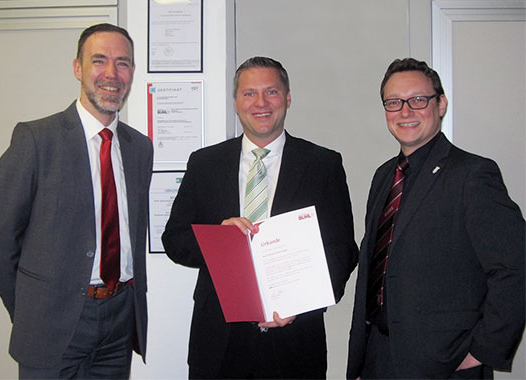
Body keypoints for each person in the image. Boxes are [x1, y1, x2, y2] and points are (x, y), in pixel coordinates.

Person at [161, 56, 359, 379]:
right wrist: (219, 239)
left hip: (295, 340)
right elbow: (174, 239)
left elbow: (342, 250)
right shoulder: (204, 164)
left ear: (288, 98)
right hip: (218, 341)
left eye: (271, 92)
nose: (261, 103)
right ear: (236, 102)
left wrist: (302, 303)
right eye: (250, 94)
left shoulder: (323, 164)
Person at [0, 23, 153, 379]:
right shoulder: (36, 140)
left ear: (133, 72)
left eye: (123, 63)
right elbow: (0, 240)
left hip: (119, 321)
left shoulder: (140, 148)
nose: (111, 74)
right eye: (99, 61)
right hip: (51, 323)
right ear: (77, 68)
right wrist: (30, 310)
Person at [347, 58, 525, 379]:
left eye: (418, 100)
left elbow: (516, 267)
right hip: (377, 356)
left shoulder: (472, 175)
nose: (405, 111)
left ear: (440, 104)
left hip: (443, 363)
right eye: (394, 102)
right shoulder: (383, 176)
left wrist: (481, 351)